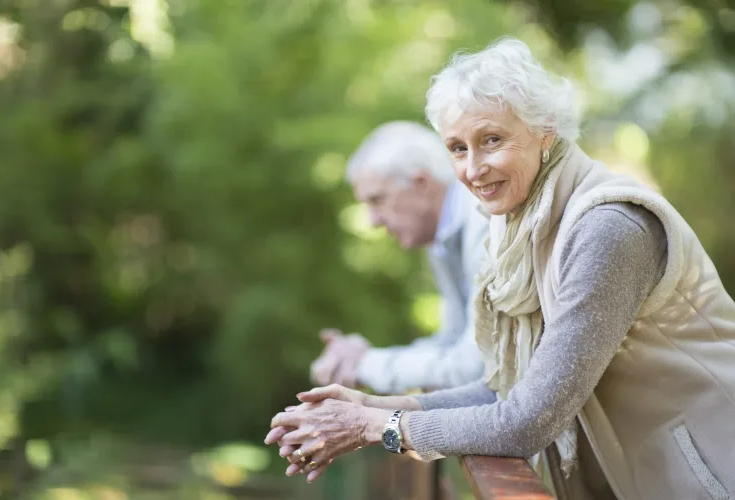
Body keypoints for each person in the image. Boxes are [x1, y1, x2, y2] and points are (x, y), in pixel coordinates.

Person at [266, 37, 735, 500]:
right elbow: (507, 388)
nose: (473, 169)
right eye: (457, 148)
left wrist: (379, 427)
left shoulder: (607, 228)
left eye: (492, 140)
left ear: (545, 129)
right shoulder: (519, 227)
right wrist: (373, 404)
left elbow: (526, 422)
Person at [309, 121, 490, 394]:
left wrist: (364, 364)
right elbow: (451, 342)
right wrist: (367, 358)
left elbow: (474, 367)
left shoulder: (484, 223)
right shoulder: (442, 237)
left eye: (377, 200)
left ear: (422, 184)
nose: (373, 221)